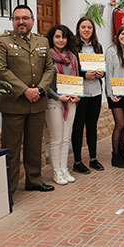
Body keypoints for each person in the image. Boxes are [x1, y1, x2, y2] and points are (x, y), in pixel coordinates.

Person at [0, 5, 55, 196]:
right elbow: (0, 70)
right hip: (14, 103)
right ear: (12, 21)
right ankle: (8, 190)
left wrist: (40, 90)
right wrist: (25, 91)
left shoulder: (42, 41)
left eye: (25, 18)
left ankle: (34, 180)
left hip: (37, 103)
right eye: (17, 18)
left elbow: (49, 69)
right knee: (11, 148)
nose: (21, 22)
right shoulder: (2, 41)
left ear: (32, 20)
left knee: (34, 146)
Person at [46, 25, 80, 185]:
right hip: (54, 102)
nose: (61, 40)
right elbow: (45, 84)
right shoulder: (47, 57)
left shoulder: (72, 56)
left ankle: (64, 169)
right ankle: (56, 172)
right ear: (52, 38)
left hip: (71, 102)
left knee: (66, 138)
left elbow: (77, 78)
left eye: (64, 37)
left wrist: (76, 95)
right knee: (56, 138)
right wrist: (58, 97)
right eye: (57, 37)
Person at [71, 16, 105, 174]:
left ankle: (93, 158)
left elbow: (103, 69)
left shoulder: (98, 46)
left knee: (92, 126)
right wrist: (85, 75)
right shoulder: (73, 47)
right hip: (81, 93)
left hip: (96, 92)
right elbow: (71, 70)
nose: (86, 30)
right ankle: (77, 161)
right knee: (78, 127)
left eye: (89, 27)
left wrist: (100, 73)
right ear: (78, 29)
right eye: (83, 27)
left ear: (93, 30)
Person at [105, 25, 124, 169]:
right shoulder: (111, 51)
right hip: (115, 94)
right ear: (118, 35)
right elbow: (109, 74)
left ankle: (122, 152)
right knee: (120, 124)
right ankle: (115, 155)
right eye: (123, 34)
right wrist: (110, 95)